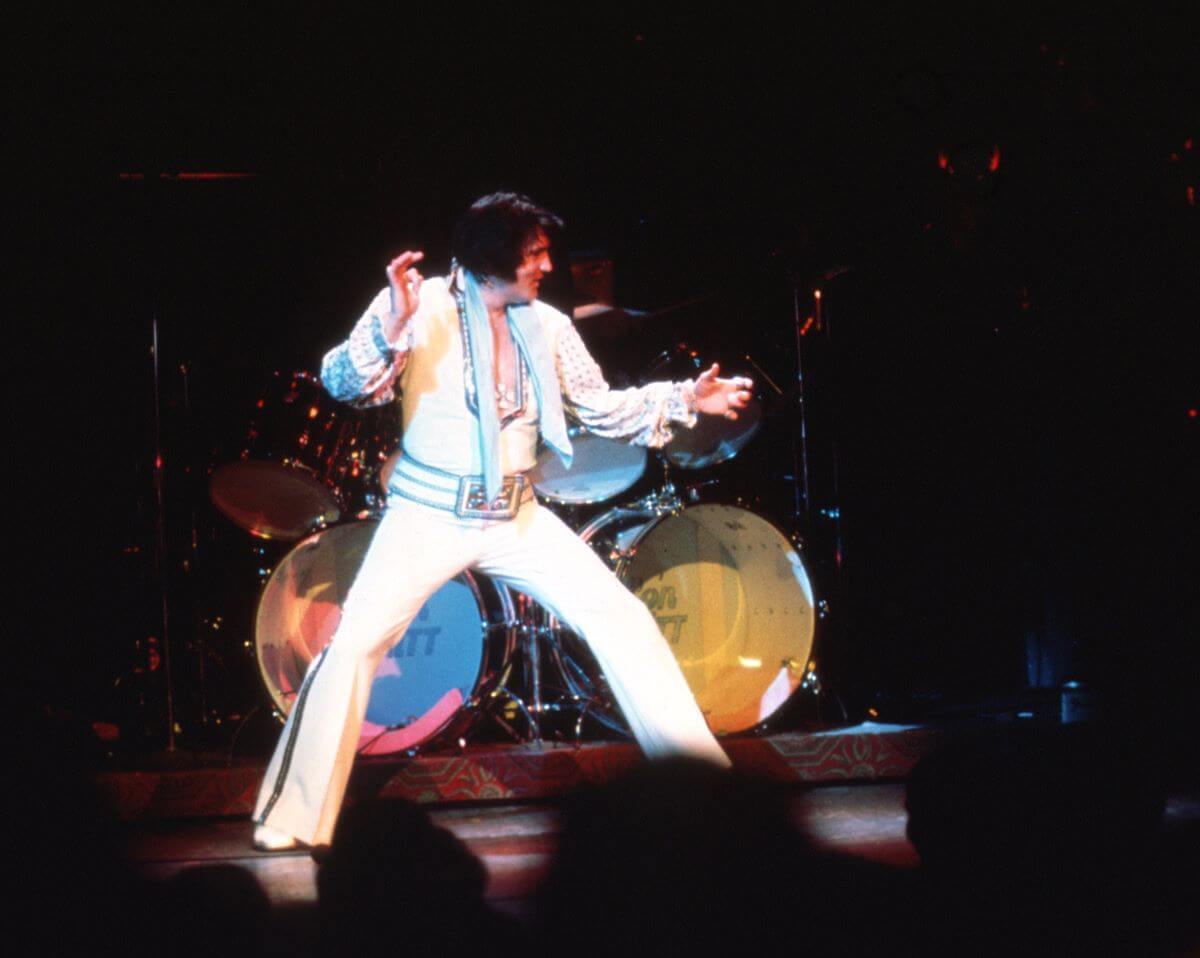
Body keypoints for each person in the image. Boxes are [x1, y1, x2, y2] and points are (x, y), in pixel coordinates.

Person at [252, 192, 753, 851]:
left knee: (620, 617)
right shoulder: (418, 304)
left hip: (516, 515)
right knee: (353, 647)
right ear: (492, 259)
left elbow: (599, 409)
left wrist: (687, 397)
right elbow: (343, 382)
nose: (547, 264)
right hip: (428, 514)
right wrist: (390, 327)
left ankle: (704, 791)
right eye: (533, 253)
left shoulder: (546, 323)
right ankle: (291, 817)